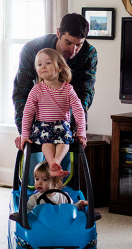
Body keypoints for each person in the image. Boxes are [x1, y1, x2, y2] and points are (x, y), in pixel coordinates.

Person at [13, 13, 97, 150]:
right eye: (68, 43)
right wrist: (24, 133)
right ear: (58, 33)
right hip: (38, 122)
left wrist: (77, 131)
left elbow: (84, 95)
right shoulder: (33, 49)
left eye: (78, 45)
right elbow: (21, 93)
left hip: (65, 123)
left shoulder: (89, 54)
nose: (73, 50)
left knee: (63, 166)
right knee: (35, 167)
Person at [20, 48, 87, 176]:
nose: (43, 67)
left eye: (48, 63)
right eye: (39, 64)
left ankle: (57, 161)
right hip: (43, 126)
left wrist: (81, 133)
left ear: (60, 67)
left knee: (65, 142)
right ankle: (52, 164)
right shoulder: (37, 89)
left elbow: (79, 111)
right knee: (47, 143)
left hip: (62, 127)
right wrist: (25, 135)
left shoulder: (68, 90)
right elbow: (28, 113)